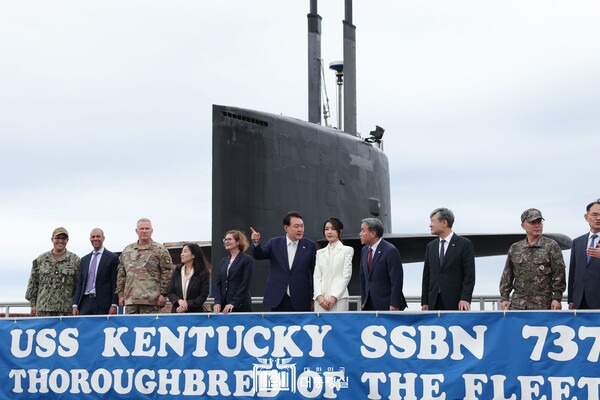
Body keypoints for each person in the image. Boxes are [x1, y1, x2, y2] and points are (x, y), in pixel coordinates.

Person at [500, 208, 566, 310]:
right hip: (519, 305)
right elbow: (507, 275)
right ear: (523, 225)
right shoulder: (515, 248)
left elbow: (559, 274)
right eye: (532, 222)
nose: (537, 225)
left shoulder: (551, 246)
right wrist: (504, 298)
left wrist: (557, 298)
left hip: (543, 305)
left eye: (539, 222)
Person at [250, 211, 317, 311]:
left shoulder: (310, 246)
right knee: (277, 326)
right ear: (286, 228)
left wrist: (313, 298)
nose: (300, 229)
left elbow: (314, 273)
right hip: (278, 298)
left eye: (302, 226)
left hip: (301, 298)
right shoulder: (274, 243)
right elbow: (259, 255)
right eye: (296, 226)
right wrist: (256, 243)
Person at [421, 208, 475, 311]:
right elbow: (426, 276)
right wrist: (425, 301)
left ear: (444, 223)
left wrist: (465, 298)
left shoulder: (464, 244)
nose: (430, 225)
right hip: (434, 302)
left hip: (456, 302)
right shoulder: (430, 246)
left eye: (432, 221)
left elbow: (469, 275)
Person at [116, 218, 174, 314]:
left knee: (149, 327)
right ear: (136, 231)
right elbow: (121, 275)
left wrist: (164, 294)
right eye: (141, 229)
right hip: (131, 301)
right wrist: (120, 295)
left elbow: (167, 273)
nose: (144, 231)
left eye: (147, 229)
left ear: (152, 231)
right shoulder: (127, 250)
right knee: (131, 327)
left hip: (152, 300)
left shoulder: (160, 250)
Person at [25, 227, 80, 317]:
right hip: (43, 309)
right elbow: (33, 284)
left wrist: (76, 305)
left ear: (67, 240)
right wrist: (33, 304)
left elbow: (79, 285)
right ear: (52, 239)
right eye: (57, 238)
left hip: (66, 311)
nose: (60, 241)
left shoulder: (75, 260)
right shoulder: (40, 260)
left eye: (63, 238)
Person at [359, 218, 407, 311]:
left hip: (387, 305)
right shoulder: (364, 251)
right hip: (369, 305)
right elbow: (363, 278)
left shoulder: (390, 250)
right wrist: (363, 301)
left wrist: (394, 303)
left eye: (363, 230)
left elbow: (396, 280)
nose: (360, 234)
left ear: (373, 233)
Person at [72, 228, 120, 315]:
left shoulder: (112, 258)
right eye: (93, 237)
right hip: (85, 302)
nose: (95, 239)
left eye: (98, 236)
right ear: (90, 239)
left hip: (103, 304)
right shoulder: (84, 259)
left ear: (103, 238)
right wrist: (75, 304)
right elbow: (80, 283)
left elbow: (115, 283)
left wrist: (114, 304)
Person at [313, 217, 353, 312]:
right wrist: (319, 296)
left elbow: (346, 276)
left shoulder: (347, 250)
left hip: (339, 299)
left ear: (340, 231)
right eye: (326, 229)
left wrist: (334, 296)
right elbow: (317, 276)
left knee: (339, 326)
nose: (329, 232)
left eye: (333, 229)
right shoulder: (320, 253)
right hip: (320, 301)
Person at [568, 199, 600, 309]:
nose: (598, 218)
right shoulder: (577, 242)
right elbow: (573, 272)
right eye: (595, 214)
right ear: (586, 217)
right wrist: (571, 300)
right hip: (580, 300)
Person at [213, 230, 254, 313]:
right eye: (225, 239)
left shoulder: (246, 259)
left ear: (238, 242)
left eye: (229, 239)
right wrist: (217, 302)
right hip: (224, 306)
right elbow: (219, 283)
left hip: (241, 306)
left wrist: (234, 303)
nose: (226, 242)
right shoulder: (223, 261)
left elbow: (245, 283)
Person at [167, 243, 210, 313]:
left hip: (195, 313)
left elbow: (203, 295)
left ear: (193, 255)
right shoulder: (177, 271)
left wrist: (187, 305)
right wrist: (179, 301)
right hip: (177, 311)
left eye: (185, 251)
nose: (182, 254)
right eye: (182, 252)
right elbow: (170, 292)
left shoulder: (203, 273)